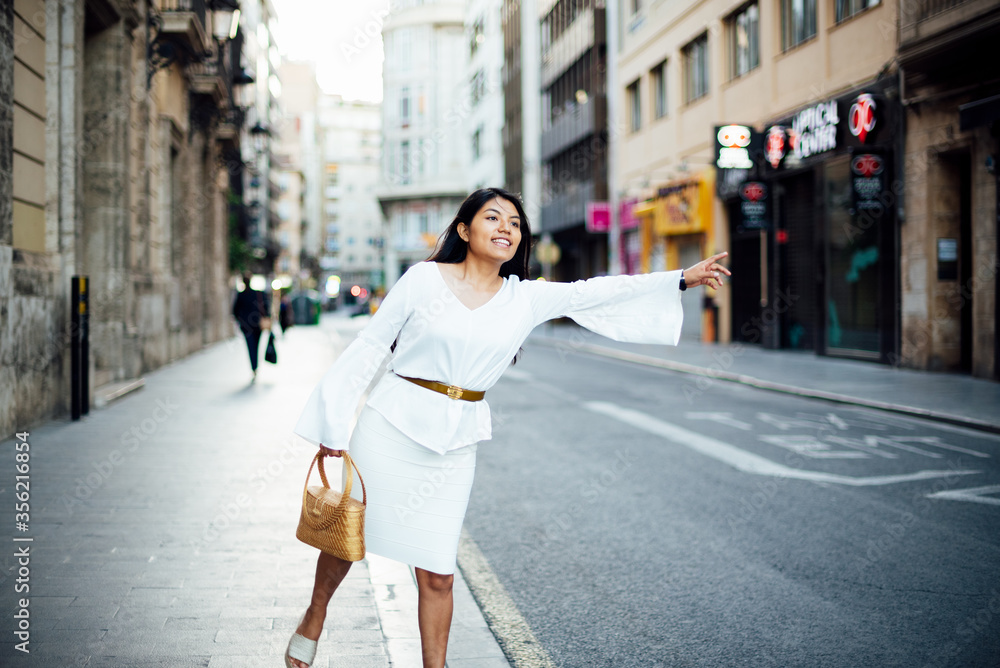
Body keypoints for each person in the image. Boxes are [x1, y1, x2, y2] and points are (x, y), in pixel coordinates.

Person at [285, 187, 730, 668]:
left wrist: (679, 280)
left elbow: (596, 291)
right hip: (391, 425)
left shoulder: (526, 297)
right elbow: (371, 346)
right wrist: (333, 429)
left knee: (438, 573)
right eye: (493, 218)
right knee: (349, 539)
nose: (506, 229)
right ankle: (314, 615)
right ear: (464, 229)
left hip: (455, 444)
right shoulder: (423, 279)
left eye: (515, 224)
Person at [231, 271, 270, 381]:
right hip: (257, 325)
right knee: (256, 345)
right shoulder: (258, 293)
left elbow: (235, 311)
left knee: (250, 346)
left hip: (247, 326)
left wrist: (241, 321)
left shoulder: (241, 295)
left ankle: (254, 367)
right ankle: (255, 366)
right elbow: (266, 307)